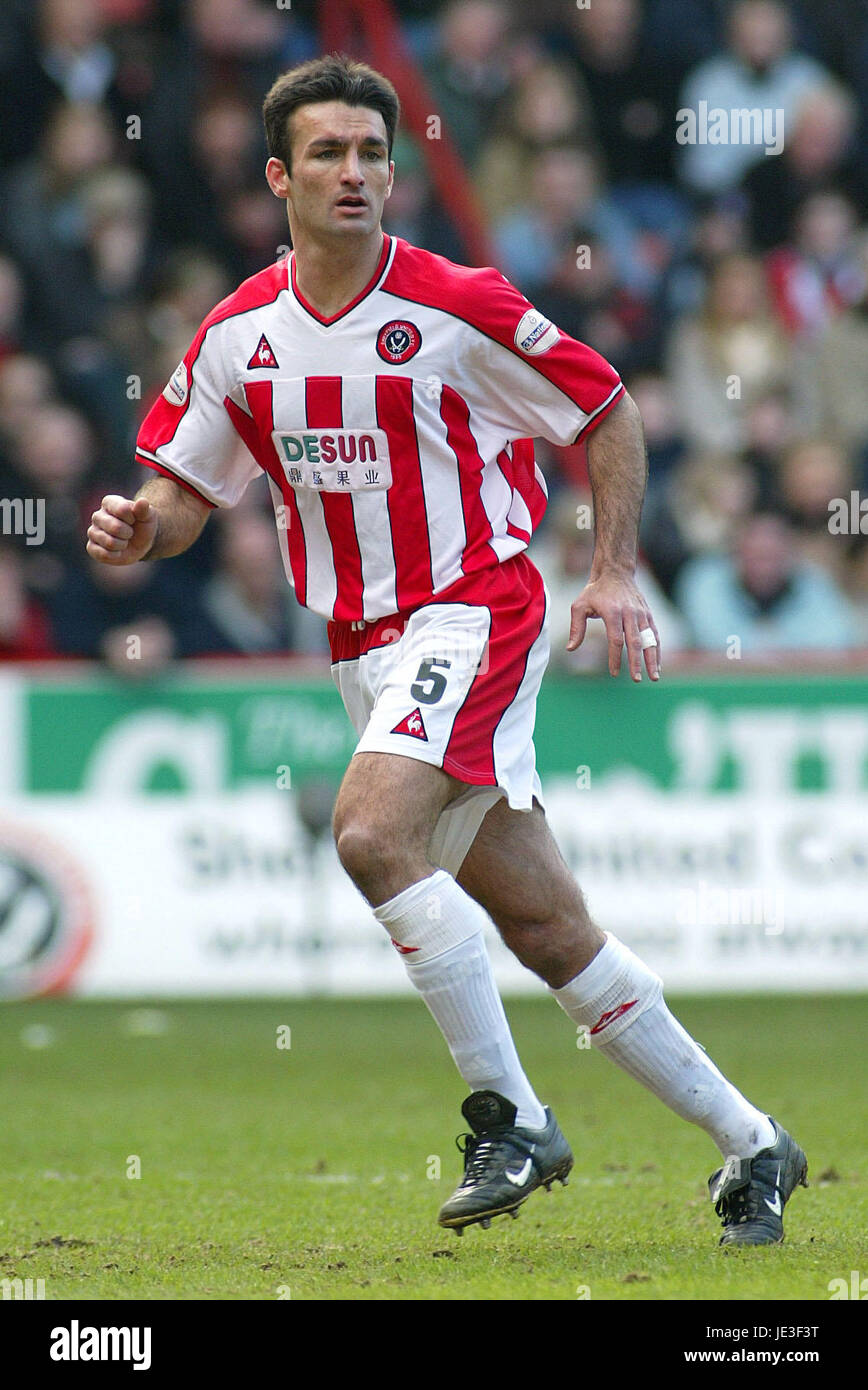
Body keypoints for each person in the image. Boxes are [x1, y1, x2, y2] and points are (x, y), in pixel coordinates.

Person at [86, 55, 807, 1245]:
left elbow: (605, 405)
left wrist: (615, 567)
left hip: (472, 606)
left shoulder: (453, 302)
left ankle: (512, 1116)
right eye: (328, 153)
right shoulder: (236, 335)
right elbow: (183, 494)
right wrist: (136, 529)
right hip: (362, 646)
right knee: (546, 929)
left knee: (371, 831)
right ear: (278, 177)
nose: (355, 173)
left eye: (373, 153)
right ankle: (753, 1142)